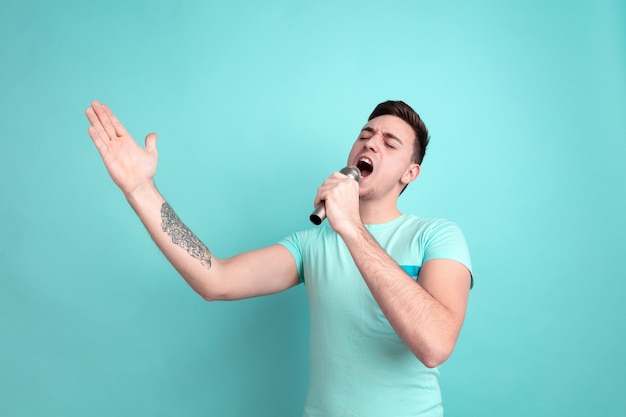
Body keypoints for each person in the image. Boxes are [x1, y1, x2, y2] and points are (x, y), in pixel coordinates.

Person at [85, 99, 472, 417]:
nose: (370, 144)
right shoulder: (311, 245)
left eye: (390, 144)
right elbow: (215, 281)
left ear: (410, 173)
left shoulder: (436, 236)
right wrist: (140, 189)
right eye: (365, 135)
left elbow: (434, 344)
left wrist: (352, 227)